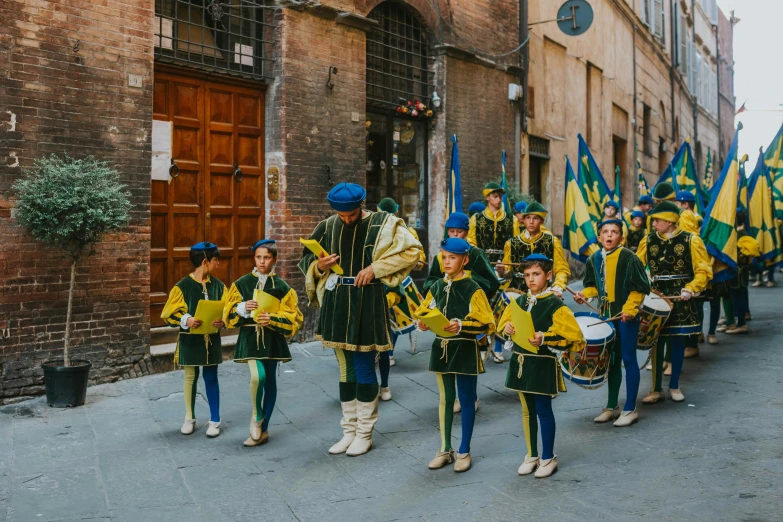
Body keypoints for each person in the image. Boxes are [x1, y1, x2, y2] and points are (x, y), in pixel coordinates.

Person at [298, 182, 421, 457]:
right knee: (345, 370)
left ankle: (365, 434)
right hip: (337, 300)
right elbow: (305, 257)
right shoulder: (328, 225)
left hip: (368, 300)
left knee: (365, 367)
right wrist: (319, 266)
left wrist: (376, 268)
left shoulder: (384, 223)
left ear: (361, 206)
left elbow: (412, 251)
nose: (346, 219)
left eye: (351, 215)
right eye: (341, 216)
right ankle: (348, 432)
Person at [497, 254, 585, 478]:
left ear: (548, 276)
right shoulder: (519, 302)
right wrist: (507, 328)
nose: (530, 279)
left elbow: (573, 336)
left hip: (543, 363)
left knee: (544, 410)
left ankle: (548, 457)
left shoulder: (555, 304)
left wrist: (544, 337)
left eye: (536, 274)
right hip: (521, 363)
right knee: (527, 411)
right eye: (526, 275)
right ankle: (532, 454)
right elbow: (503, 326)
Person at [415, 237, 495, 473]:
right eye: (444, 257)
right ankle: (445, 449)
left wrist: (461, 325)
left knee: (467, 399)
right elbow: (426, 309)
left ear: (465, 260)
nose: (447, 262)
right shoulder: (438, 286)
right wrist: (424, 322)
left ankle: (464, 450)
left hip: (465, 348)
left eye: (453, 257)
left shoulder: (473, 288)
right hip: (442, 348)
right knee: (445, 399)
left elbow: (486, 322)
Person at [224, 239, 303, 447]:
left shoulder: (282, 287)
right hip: (250, 338)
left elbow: (294, 317)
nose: (261, 262)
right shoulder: (241, 284)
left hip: (272, 338)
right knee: (258, 376)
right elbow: (228, 313)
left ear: (274, 260)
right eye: (258, 257)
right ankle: (256, 415)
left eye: (266, 258)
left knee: (270, 382)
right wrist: (242, 307)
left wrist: (273, 319)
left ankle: (263, 430)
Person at [574, 220, 650, 427]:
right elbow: (592, 286)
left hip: (626, 317)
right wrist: (584, 295)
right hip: (605, 317)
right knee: (611, 360)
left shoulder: (630, 258)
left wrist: (630, 309)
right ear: (599, 237)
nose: (609, 236)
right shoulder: (593, 259)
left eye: (614, 232)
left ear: (621, 238)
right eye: (605, 232)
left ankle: (630, 408)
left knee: (628, 358)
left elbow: (640, 288)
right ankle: (611, 406)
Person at [424, 211, 500, 413]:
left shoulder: (475, 254)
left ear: (466, 233)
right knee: (447, 354)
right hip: (445, 311)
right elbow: (430, 280)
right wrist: (439, 285)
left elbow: (491, 282)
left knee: (469, 356)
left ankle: (471, 397)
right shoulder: (442, 255)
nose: (455, 235)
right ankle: (453, 397)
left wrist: (468, 279)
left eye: (459, 231)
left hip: (469, 312)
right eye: (451, 231)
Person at [636, 202, 712, 404]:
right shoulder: (648, 241)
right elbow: (636, 266)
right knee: (655, 341)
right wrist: (644, 283)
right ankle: (655, 389)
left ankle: (675, 385)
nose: (653, 225)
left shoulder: (691, 240)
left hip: (681, 297)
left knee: (678, 341)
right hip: (655, 297)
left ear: (670, 221)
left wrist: (692, 288)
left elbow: (703, 270)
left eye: (657, 221)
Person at [160, 242, 226, 437]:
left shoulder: (220, 286)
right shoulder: (182, 287)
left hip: (211, 339)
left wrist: (222, 321)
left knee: (211, 377)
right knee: (190, 377)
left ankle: (215, 420)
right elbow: (169, 313)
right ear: (205, 262)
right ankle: (189, 417)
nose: (218, 265)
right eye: (215, 261)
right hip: (190, 339)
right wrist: (186, 319)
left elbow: (228, 309)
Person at [494, 202, 570, 363]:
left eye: (535, 218)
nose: (531, 222)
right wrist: (503, 271)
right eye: (528, 218)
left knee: (541, 338)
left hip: (543, 294)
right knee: (513, 333)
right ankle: (511, 359)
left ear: (541, 221)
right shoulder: (512, 243)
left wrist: (557, 287)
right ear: (522, 219)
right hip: (518, 293)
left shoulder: (551, 241)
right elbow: (508, 270)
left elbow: (562, 269)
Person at [377, 197, 427, 399]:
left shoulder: (407, 231)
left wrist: (416, 263)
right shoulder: (376, 230)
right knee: (386, 318)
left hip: (400, 282)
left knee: (397, 318)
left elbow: (420, 257)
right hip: (379, 279)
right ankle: (383, 353)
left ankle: (388, 352)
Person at [674, 191, 706, 357]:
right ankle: (694, 337)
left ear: (685, 205)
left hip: (692, 273)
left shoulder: (692, 221)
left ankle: (692, 343)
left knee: (694, 306)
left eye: (676, 203)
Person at [467, 182, 519, 264]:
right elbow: (471, 242)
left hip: (504, 265)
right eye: (495, 197)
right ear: (487, 197)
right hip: (482, 264)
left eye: (500, 197)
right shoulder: (476, 218)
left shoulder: (512, 219)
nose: (499, 200)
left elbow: (515, 244)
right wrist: (479, 261)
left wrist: (506, 265)